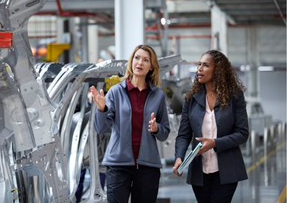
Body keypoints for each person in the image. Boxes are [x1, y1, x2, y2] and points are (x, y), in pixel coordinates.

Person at [90, 44, 170, 203]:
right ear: (131, 62)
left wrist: (156, 128)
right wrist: (101, 109)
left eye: (145, 60)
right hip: (118, 166)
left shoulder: (158, 95)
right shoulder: (115, 92)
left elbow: (165, 132)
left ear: (151, 67)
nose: (140, 62)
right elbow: (101, 128)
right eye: (137, 58)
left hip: (148, 167)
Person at [172, 50, 249, 203]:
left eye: (205, 65)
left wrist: (215, 143)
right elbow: (184, 134)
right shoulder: (191, 98)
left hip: (227, 171)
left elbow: (242, 133)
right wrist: (179, 157)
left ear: (218, 71)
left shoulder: (235, 96)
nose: (199, 69)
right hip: (199, 173)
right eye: (199, 64)